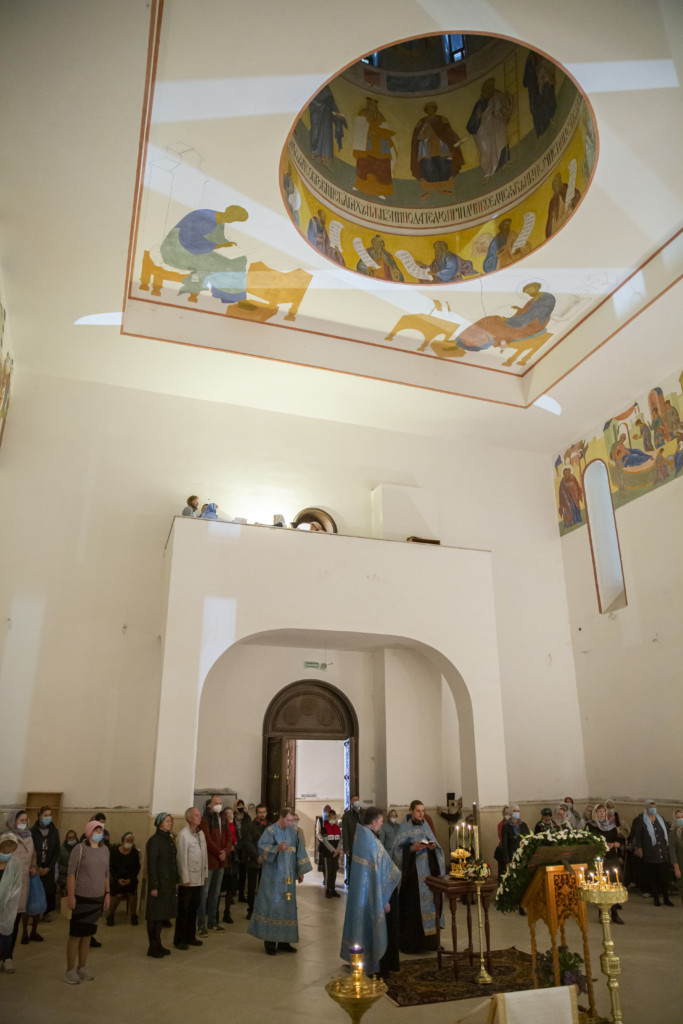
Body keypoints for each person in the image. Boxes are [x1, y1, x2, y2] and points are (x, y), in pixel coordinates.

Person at [340, 807, 401, 978]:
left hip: (364, 893)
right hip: (374, 894)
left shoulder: (362, 836)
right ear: (374, 822)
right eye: (381, 821)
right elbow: (379, 873)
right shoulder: (370, 842)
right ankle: (375, 964)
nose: (382, 824)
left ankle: (364, 961)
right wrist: (384, 899)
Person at [247, 807, 312, 955]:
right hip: (273, 877)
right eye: (288, 820)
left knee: (288, 908)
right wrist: (277, 848)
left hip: (288, 878)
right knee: (273, 908)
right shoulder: (270, 831)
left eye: (292, 821)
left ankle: (284, 942)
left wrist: (300, 871)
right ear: (281, 818)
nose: (290, 823)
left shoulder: (293, 831)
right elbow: (261, 847)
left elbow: (299, 850)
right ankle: (270, 943)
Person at [159, 204, 249, 302]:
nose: (232, 220)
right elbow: (188, 241)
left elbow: (218, 239)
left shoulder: (220, 221)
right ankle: (232, 298)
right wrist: (218, 246)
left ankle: (229, 298)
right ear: (228, 210)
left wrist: (228, 244)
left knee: (236, 263)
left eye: (235, 220)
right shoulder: (202, 215)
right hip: (177, 251)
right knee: (225, 266)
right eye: (233, 217)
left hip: (196, 250)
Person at [392, 800, 445, 954]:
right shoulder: (404, 828)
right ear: (411, 811)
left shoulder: (426, 826)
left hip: (427, 876)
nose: (421, 814)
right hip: (412, 878)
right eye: (418, 811)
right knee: (412, 909)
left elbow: (439, 850)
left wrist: (432, 848)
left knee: (431, 906)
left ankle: (430, 943)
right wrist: (411, 849)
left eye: (423, 811)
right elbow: (396, 853)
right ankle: (412, 944)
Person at [64, 819, 110, 984]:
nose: (98, 833)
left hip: (97, 898)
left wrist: (107, 893)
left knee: (88, 935)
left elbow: (106, 873)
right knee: (76, 935)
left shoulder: (105, 850)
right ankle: (70, 970)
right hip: (81, 897)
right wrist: (71, 896)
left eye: (100, 831)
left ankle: (82, 967)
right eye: (96, 830)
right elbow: (71, 873)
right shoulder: (80, 848)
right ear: (89, 832)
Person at [456, 282, 555, 354]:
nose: (529, 293)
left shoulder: (547, 297)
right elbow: (526, 312)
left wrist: (511, 320)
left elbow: (535, 314)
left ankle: (475, 340)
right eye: (527, 292)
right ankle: (466, 336)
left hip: (531, 325)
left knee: (493, 324)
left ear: (537, 287)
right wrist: (518, 310)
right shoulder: (533, 299)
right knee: (490, 320)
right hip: (521, 320)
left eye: (529, 291)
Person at [409, 102, 464, 198]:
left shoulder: (441, 119)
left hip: (441, 146)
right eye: (428, 109)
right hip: (426, 148)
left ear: (435, 109)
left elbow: (448, 131)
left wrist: (456, 139)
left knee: (443, 166)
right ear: (426, 111)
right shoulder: (422, 121)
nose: (430, 110)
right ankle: (428, 190)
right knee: (427, 168)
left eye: (432, 108)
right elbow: (416, 135)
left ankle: (444, 188)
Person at [145, 812, 179, 958]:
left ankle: (158, 943)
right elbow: (152, 865)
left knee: (161, 915)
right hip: (158, 883)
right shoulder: (154, 841)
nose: (169, 823)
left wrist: (176, 880)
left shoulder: (169, 839)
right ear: (159, 823)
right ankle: (152, 946)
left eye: (170, 821)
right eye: (166, 821)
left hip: (168, 883)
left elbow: (173, 861)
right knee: (154, 915)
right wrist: (154, 886)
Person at [466, 78, 512, 181]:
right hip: (484, 131)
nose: (488, 90)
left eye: (490, 88)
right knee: (485, 150)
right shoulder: (479, 104)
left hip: (498, 126)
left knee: (502, 142)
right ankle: (488, 171)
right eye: (486, 88)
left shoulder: (497, 97)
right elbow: (471, 124)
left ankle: (504, 163)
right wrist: (478, 117)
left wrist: (507, 101)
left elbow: (504, 106)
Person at [197, 794, 231, 935]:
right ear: (209, 804)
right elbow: (208, 840)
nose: (219, 805)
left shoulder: (223, 818)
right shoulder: (204, 819)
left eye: (220, 803)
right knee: (204, 894)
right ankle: (201, 925)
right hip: (210, 862)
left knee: (215, 894)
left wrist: (226, 852)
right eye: (216, 803)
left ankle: (212, 922)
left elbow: (229, 837)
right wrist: (219, 852)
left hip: (221, 862)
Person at [174, 807, 207, 950]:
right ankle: (179, 939)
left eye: (199, 815)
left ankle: (190, 936)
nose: (199, 817)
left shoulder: (200, 833)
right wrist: (184, 878)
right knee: (184, 910)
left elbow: (204, 855)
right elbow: (181, 859)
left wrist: (204, 874)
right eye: (196, 815)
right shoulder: (183, 835)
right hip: (188, 880)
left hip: (198, 878)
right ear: (189, 818)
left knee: (194, 908)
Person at [4, 810, 37, 952]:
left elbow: (33, 855)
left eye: (26, 820)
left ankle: (8, 955)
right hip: (7, 884)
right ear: (13, 822)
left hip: (23, 884)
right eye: (21, 820)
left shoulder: (29, 837)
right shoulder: (7, 837)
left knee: (15, 921)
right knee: (5, 922)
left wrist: (33, 866)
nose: (24, 823)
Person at [587, 804, 625, 923]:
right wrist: (601, 845)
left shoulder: (611, 827)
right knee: (602, 886)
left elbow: (619, 840)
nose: (602, 814)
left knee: (613, 885)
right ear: (595, 813)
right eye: (599, 812)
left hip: (611, 857)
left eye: (603, 811)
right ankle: (602, 913)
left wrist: (614, 844)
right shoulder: (590, 826)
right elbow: (588, 841)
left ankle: (614, 913)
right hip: (600, 858)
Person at [631, 801, 673, 906]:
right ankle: (656, 898)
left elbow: (666, 833)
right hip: (650, 853)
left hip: (662, 852)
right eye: (651, 807)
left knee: (664, 877)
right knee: (653, 876)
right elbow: (638, 836)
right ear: (646, 808)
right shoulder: (642, 821)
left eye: (654, 806)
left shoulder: (660, 819)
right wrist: (639, 848)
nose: (653, 808)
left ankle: (666, 898)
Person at [352, 97, 396, 198]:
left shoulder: (380, 116)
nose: (373, 107)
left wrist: (380, 132)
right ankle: (360, 185)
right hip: (366, 146)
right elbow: (359, 128)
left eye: (374, 105)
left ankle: (381, 191)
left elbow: (385, 128)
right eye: (371, 104)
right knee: (364, 165)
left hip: (381, 148)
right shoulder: (363, 114)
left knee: (382, 167)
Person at [30, 805, 60, 930]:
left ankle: (46, 912)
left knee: (48, 890)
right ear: (40, 816)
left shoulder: (54, 831)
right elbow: (30, 850)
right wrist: (36, 866)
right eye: (45, 815)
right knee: (34, 890)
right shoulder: (33, 831)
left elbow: (56, 851)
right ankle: (33, 914)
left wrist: (49, 867)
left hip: (49, 866)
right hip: (35, 866)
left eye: (50, 815)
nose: (48, 817)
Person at [106, 832, 140, 926]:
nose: (129, 842)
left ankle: (133, 915)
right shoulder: (114, 852)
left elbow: (137, 868)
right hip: (117, 879)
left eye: (131, 841)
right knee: (118, 895)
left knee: (132, 893)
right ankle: (110, 916)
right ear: (123, 840)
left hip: (130, 878)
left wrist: (130, 879)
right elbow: (112, 868)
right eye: (127, 840)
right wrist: (118, 879)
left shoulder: (134, 853)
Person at [501, 805, 530, 914]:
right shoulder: (506, 826)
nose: (517, 812)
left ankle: (523, 903)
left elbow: (528, 838)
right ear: (510, 812)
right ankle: (516, 903)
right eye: (514, 811)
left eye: (518, 810)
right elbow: (505, 844)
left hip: (523, 856)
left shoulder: (524, 825)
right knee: (515, 881)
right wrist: (507, 860)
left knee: (524, 881)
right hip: (512, 856)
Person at [0, 833, 23, 974]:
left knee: (6, 931)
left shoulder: (15, 863)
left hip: (9, 905)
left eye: (11, 847)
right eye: (5, 847)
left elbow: (17, 886)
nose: (7, 850)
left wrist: (6, 901)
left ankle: (6, 958)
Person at [243, 804, 268, 921]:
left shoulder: (270, 826)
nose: (262, 814)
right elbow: (248, 843)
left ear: (266, 813)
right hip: (253, 860)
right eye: (260, 812)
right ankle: (251, 909)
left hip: (267, 861)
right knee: (252, 888)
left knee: (264, 888)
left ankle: (262, 910)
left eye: (264, 812)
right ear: (256, 813)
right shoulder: (250, 826)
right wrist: (257, 856)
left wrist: (266, 855)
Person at [523, 50, 556, 137]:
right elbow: (526, 81)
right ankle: (540, 130)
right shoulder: (531, 59)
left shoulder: (543, 62)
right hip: (535, 92)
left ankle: (549, 121)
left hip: (543, 86)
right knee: (537, 110)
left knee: (547, 102)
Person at [318, 808, 342, 898]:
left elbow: (340, 840)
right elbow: (325, 842)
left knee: (334, 872)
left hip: (336, 854)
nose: (333, 819)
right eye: (331, 817)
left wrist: (338, 850)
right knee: (328, 873)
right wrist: (333, 850)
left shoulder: (337, 828)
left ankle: (333, 889)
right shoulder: (325, 828)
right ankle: (328, 890)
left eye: (334, 817)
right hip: (328, 854)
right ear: (328, 818)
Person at [221, 806, 238, 923]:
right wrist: (228, 847)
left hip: (233, 861)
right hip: (223, 859)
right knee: (219, 888)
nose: (231, 815)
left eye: (232, 813)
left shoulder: (235, 826)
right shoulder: (221, 826)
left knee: (230, 889)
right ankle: (214, 913)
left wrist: (235, 847)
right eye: (228, 813)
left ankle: (227, 912)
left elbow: (240, 840)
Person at [233, 798, 252, 904]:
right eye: (238, 806)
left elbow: (249, 831)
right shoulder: (232, 816)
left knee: (243, 872)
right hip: (235, 847)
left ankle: (241, 894)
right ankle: (231, 894)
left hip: (244, 847)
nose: (240, 807)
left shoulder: (247, 817)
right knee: (233, 872)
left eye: (241, 805)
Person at [341, 796, 362, 886]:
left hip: (362, 845)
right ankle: (351, 884)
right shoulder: (347, 815)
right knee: (352, 865)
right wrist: (346, 847)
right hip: (352, 845)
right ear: (351, 802)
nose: (356, 802)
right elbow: (345, 832)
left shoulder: (363, 813)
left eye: (358, 800)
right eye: (354, 800)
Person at [58, 830, 79, 898]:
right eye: (70, 838)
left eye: (73, 837)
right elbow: (58, 864)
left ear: (76, 838)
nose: (72, 839)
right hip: (65, 874)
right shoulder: (61, 849)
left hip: (77, 874)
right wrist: (67, 871)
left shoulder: (80, 848)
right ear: (67, 839)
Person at [668, 807, 683, 895]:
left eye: (682, 817)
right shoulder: (673, 834)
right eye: (678, 818)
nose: (681, 819)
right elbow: (672, 853)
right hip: (680, 864)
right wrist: (676, 869)